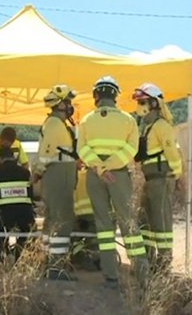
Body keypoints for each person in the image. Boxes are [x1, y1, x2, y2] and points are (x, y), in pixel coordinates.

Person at [77, 76, 149, 290]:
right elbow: (131, 150)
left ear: (96, 95)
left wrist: (100, 168)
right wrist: (111, 167)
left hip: (96, 175)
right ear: (115, 96)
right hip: (119, 175)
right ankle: (142, 274)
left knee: (103, 224)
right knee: (128, 222)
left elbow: (82, 149)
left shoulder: (87, 120)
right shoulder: (128, 120)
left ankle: (110, 276)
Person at [132, 83, 182, 274]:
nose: (140, 106)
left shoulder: (162, 126)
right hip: (150, 179)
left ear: (154, 103)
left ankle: (163, 261)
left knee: (161, 220)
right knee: (145, 219)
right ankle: (149, 257)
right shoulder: (148, 127)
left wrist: (175, 175)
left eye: (142, 101)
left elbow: (171, 153)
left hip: (161, 179)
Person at [33, 84, 79, 281]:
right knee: (62, 220)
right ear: (59, 105)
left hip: (60, 173)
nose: (70, 106)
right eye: (67, 102)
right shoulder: (54, 124)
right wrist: (37, 173)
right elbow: (46, 154)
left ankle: (47, 261)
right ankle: (56, 267)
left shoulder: (57, 124)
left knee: (53, 220)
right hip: (58, 174)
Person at [0, 148, 35, 263]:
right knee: (27, 231)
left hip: (4, 218)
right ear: (14, 157)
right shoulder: (25, 173)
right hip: (25, 218)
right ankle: (20, 257)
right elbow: (31, 195)